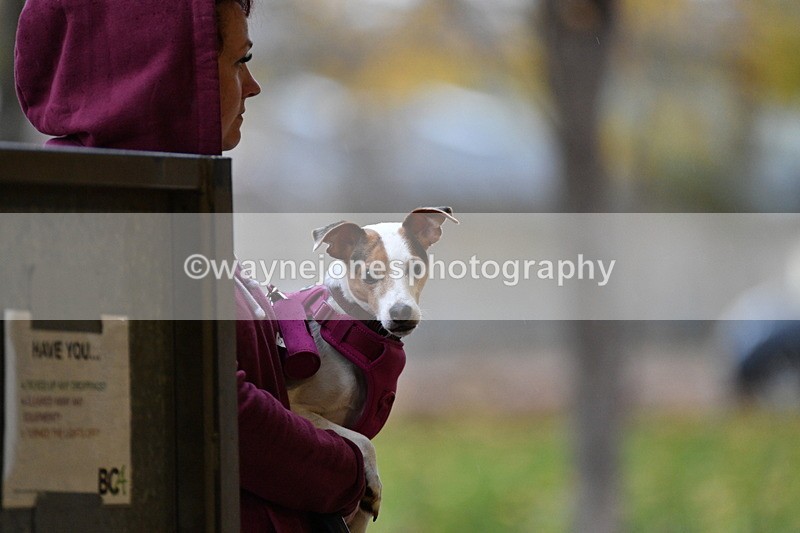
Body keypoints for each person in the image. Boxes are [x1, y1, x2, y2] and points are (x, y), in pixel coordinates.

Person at [14, 1, 367, 531]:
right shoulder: (107, 219)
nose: (252, 86)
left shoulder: (144, 201)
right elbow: (209, 407)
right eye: (237, 61)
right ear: (163, 72)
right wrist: (350, 470)